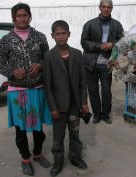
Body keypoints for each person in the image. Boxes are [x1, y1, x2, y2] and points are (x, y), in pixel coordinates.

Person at [0, 3, 52, 176]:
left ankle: (38, 154)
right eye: (18, 16)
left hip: (37, 88)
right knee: (20, 129)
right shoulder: (6, 40)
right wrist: (12, 71)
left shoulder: (40, 37)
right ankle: (25, 159)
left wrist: (40, 65)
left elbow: (47, 58)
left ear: (30, 16)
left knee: (38, 129)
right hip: (17, 90)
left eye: (25, 15)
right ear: (13, 18)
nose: (22, 18)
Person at [43, 20, 89, 177]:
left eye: (64, 33)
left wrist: (84, 102)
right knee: (58, 135)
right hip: (59, 106)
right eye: (58, 34)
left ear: (69, 34)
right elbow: (48, 86)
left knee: (75, 133)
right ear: (52, 36)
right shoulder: (49, 56)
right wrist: (53, 107)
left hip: (75, 105)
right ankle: (58, 161)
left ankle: (75, 157)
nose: (61, 36)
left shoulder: (77, 54)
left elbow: (83, 81)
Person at [81, 0, 124, 124]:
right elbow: (84, 42)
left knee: (106, 91)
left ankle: (106, 115)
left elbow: (123, 41)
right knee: (93, 90)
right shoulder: (90, 24)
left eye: (108, 7)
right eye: (103, 7)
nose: (106, 9)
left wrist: (112, 44)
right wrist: (99, 46)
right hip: (91, 63)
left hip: (107, 63)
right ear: (99, 7)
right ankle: (97, 115)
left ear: (112, 8)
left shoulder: (116, 25)